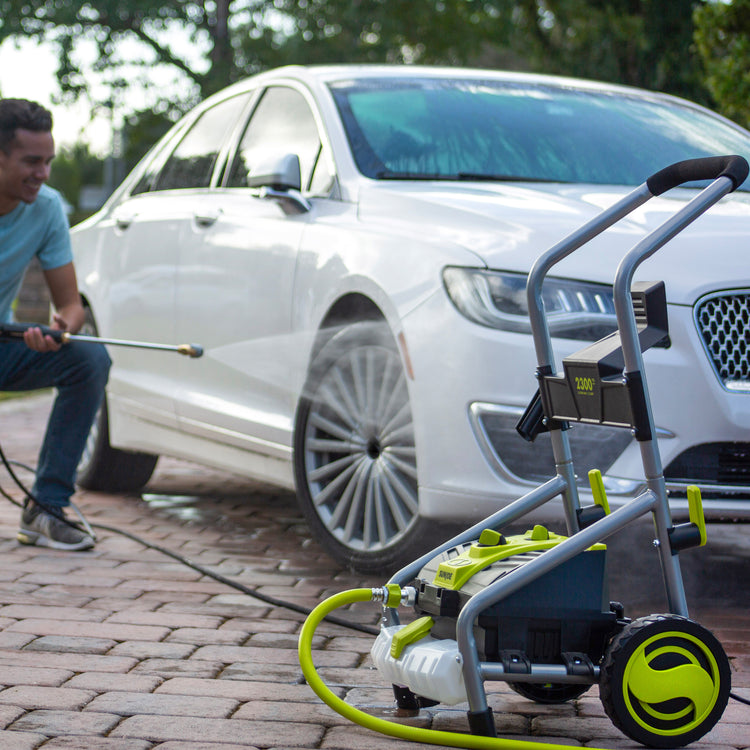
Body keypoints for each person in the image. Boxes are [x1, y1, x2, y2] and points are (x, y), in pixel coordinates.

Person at [0, 98, 110, 550]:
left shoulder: (46, 208)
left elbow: (71, 305)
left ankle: (46, 507)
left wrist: (60, 327)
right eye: (31, 161)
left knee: (87, 358)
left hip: (3, 344)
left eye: (48, 161)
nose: (43, 173)